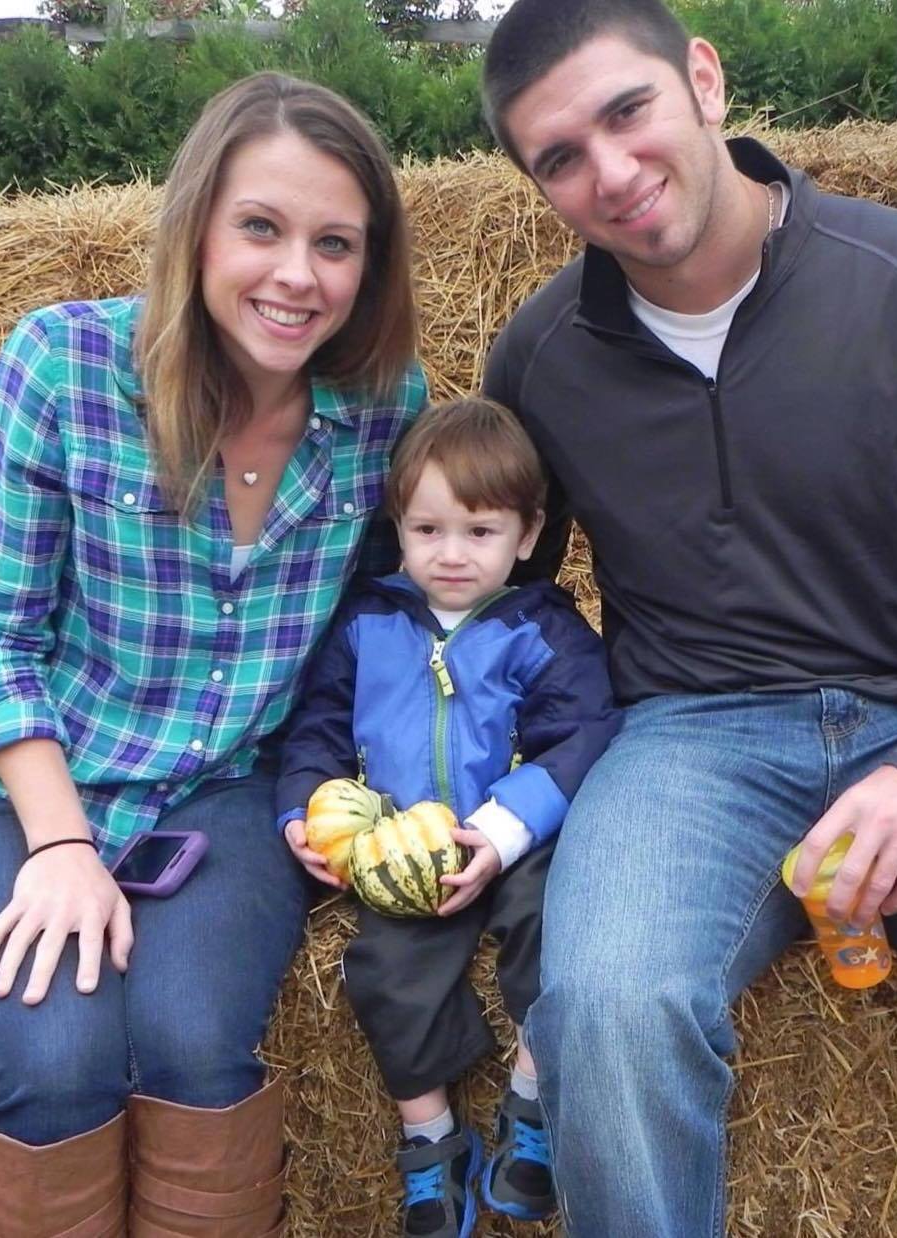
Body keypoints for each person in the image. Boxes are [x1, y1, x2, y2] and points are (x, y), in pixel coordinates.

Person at [478, 2, 897, 1235]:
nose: (610, 174)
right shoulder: (540, 356)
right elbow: (498, 586)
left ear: (704, 82)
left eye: (627, 112)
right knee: (606, 1006)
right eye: (558, 157)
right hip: (682, 743)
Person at [0, 71, 424, 1238]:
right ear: (197, 224)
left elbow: (392, 623)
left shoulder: (384, 408)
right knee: (61, 1061)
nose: (297, 273)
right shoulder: (61, 368)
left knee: (195, 1045)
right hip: (30, 786)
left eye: (335, 243)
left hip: (232, 791)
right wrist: (59, 841)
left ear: (368, 267)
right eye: (262, 226)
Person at [276, 396, 619, 1238]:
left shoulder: (544, 630)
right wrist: (305, 812)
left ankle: (532, 1108)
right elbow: (315, 725)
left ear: (528, 535)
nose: (453, 555)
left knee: (560, 927)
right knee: (383, 973)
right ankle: (431, 1142)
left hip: (513, 838)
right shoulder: (366, 621)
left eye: (480, 531)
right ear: (398, 527)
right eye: (428, 531)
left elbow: (584, 736)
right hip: (400, 838)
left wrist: (508, 831)